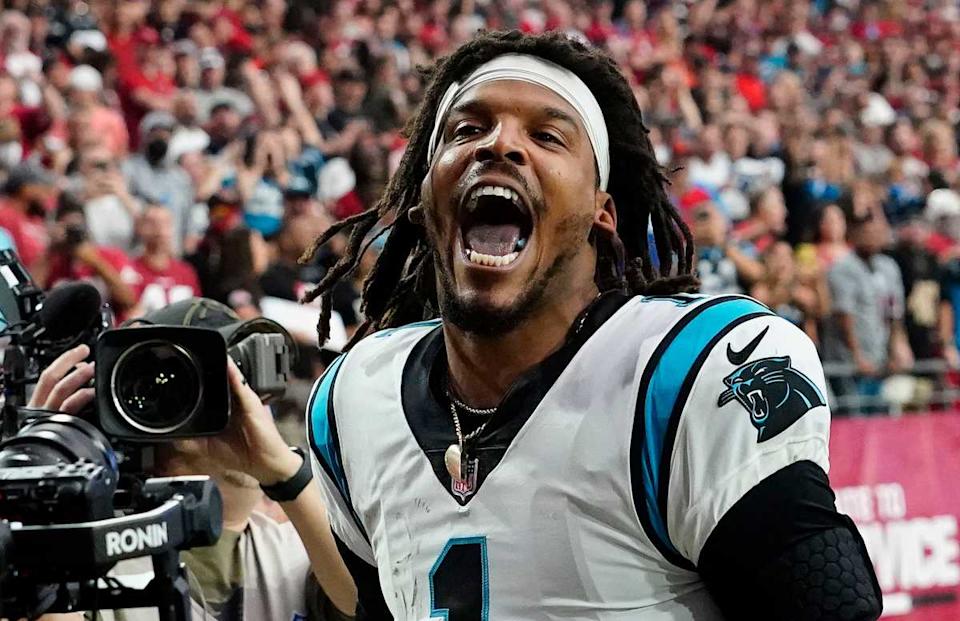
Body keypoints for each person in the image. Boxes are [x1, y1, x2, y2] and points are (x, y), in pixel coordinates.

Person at [194, 32, 881, 619]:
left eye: (546, 135)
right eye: (467, 129)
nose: (499, 146)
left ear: (601, 213)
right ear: (423, 199)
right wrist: (278, 470)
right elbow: (372, 604)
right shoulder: (354, 395)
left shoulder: (689, 370)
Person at [25, 298, 357, 621]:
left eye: (244, 380)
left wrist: (283, 470)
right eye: (207, 384)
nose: (241, 401)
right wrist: (38, 470)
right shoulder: (98, 566)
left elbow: (368, 603)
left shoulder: (301, 552)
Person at [129, 204, 202, 316]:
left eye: (165, 223)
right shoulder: (130, 269)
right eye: (152, 223)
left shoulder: (186, 272)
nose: (159, 229)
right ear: (139, 227)